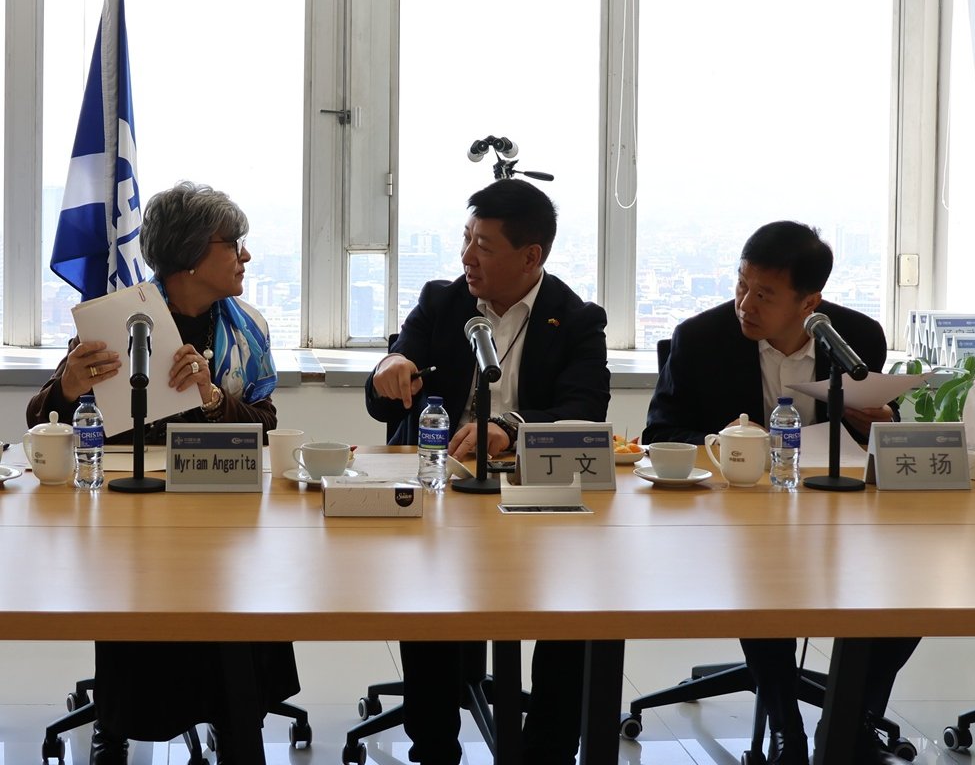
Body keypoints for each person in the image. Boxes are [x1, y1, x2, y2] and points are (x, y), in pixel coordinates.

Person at [27, 182, 298, 765]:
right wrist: (69, 388)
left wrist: (209, 397)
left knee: (239, 602)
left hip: (223, 502)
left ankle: (237, 719)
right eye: (235, 244)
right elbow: (44, 422)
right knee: (141, 597)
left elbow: (265, 423)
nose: (246, 256)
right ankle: (119, 721)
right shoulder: (117, 320)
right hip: (131, 510)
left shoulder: (246, 328)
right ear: (195, 254)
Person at [643, 221, 918, 765]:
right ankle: (787, 728)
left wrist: (879, 421)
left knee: (908, 592)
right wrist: (733, 446)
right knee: (763, 577)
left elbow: (879, 429)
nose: (745, 302)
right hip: (735, 516)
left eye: (764, 294)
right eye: (741, 284)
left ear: (809, 301)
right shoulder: (700, 338)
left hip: (837, 511)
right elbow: (660, 434)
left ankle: (855, 719)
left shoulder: (857, 336)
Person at [364, 178, 610, 765]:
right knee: (428, 598)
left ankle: (549, 748)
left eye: (484, 246)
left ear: (532, 256)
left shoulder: (576, 319)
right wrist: (389, 368)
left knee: (570, 608)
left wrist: (511, 428)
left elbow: (584, 409)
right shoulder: (442, 302)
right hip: (444, 491)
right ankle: (434, 745)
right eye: (466, 240)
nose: (467, 257)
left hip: (538, 497)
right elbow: (385, 397)